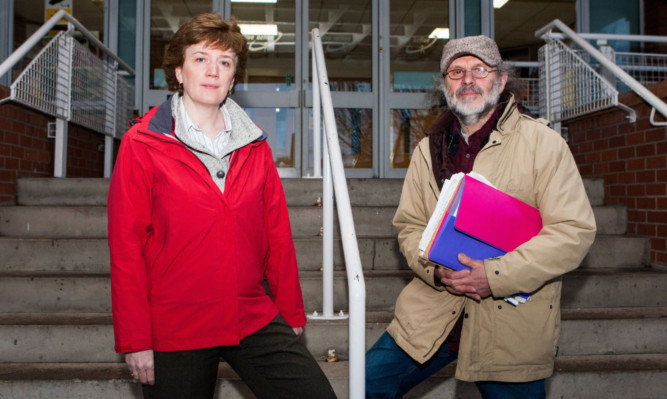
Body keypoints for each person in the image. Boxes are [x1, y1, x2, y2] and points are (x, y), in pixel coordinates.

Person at [107, 13, 336, 399]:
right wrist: (135, 339)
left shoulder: (255, 145)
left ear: (233, 78)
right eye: (200, 59)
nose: (213, 71)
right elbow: (126, 249)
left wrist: (291, 312)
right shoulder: (142, 144)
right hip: (176, 323)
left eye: (224, 62)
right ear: (179, 71)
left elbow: (276, 235)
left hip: (250, 314)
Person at [365, 35, 597, 398]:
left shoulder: (543, 144)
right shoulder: (429, 149)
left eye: (479, 70)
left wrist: (493, 276)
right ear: (445, 86)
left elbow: (573, 232)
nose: (468, 80)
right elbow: (409, 226)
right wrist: (434, 268)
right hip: (433, 312)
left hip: (509, 324)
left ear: (501, 80)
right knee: (366, 385)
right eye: (456, 72)